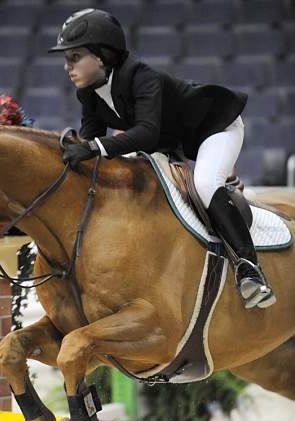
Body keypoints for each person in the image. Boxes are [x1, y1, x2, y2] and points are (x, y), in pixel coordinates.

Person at [48, 8, 275, 309]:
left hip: (215, 127)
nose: (67, 66)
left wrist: (92, 148)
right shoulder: (88, 94)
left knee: (205, 183)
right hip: (171, 140)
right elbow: (92, 142)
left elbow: (146, 133)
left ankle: (250, 270)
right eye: (66, 59)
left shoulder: (142, 77)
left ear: (101, 56)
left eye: (74, 57)